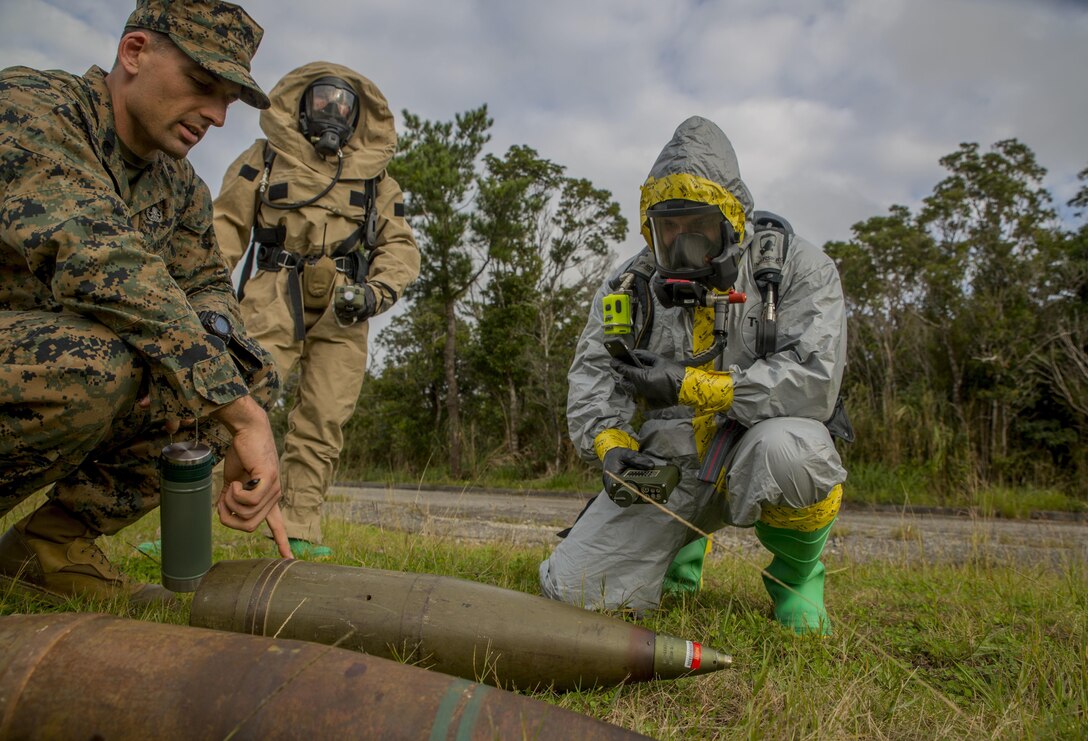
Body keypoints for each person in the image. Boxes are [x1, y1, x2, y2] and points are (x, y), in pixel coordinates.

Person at [0, 0, 292, 608]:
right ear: (135, 53)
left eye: (227, 101)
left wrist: (237, 387)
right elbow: (107, 267)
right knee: (100, 364)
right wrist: (240, 416)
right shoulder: (31, 110)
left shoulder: (178, 186)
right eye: (201, 84)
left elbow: (207, 290)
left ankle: (49, 549)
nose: (215, 115)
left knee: (234, 372)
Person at [539, 116, 851, 634]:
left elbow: (815, 382)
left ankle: (798, 580)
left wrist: (691, 386)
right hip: (675, 459)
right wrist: (611, 443)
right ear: (651, 227)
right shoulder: (627, 286)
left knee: (795, 453)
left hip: (761, 445)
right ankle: (681, 552)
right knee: (574, 595)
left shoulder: (797, 268)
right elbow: (594, 373)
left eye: (697, 228)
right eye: (669, 229)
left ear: (730, 221)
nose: (681, 244)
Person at [213, 62, 420, 558]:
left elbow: (402, 248)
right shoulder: (264, 159)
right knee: (234, 401)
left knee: (324, 418)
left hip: (346, 307)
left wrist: (376, 292)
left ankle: (301, 529)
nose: (333, 111)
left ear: (358, 117)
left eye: (344, 104)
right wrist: (207, 299)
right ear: (302, 105)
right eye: (323, 100)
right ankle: (196, 520)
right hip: (271, 293)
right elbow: (223, 229)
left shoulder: (378, 181)